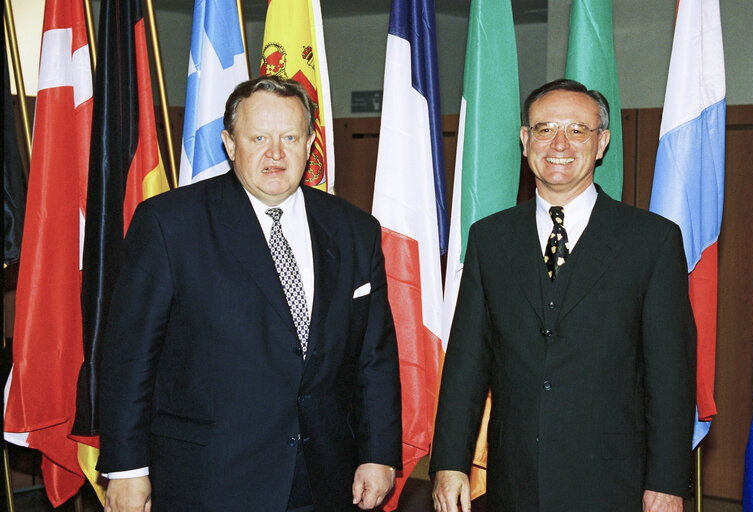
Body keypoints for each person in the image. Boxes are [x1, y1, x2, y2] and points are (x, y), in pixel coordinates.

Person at [97, 76, 402, 512]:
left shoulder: (354, 230)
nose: (275, 153)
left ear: (310, 141)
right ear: (229, 143)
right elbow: (130, 357)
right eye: (258, 137)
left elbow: (375, 357)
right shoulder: (169, 225)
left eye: (290, 137)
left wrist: (378, 453)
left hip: (326, 481)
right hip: (211, 481)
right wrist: (127, 470)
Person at [430, 79, 696, 512]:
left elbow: (671, 376)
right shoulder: (490, 239)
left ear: (602, 142)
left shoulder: (652, 242)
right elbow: (466, 363)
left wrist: (666, 481)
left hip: (614, 481)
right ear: (524, 139)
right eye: (544, 128)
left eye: (577, 131)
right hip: (513, 481)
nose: (559, 144)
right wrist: (449, 462)